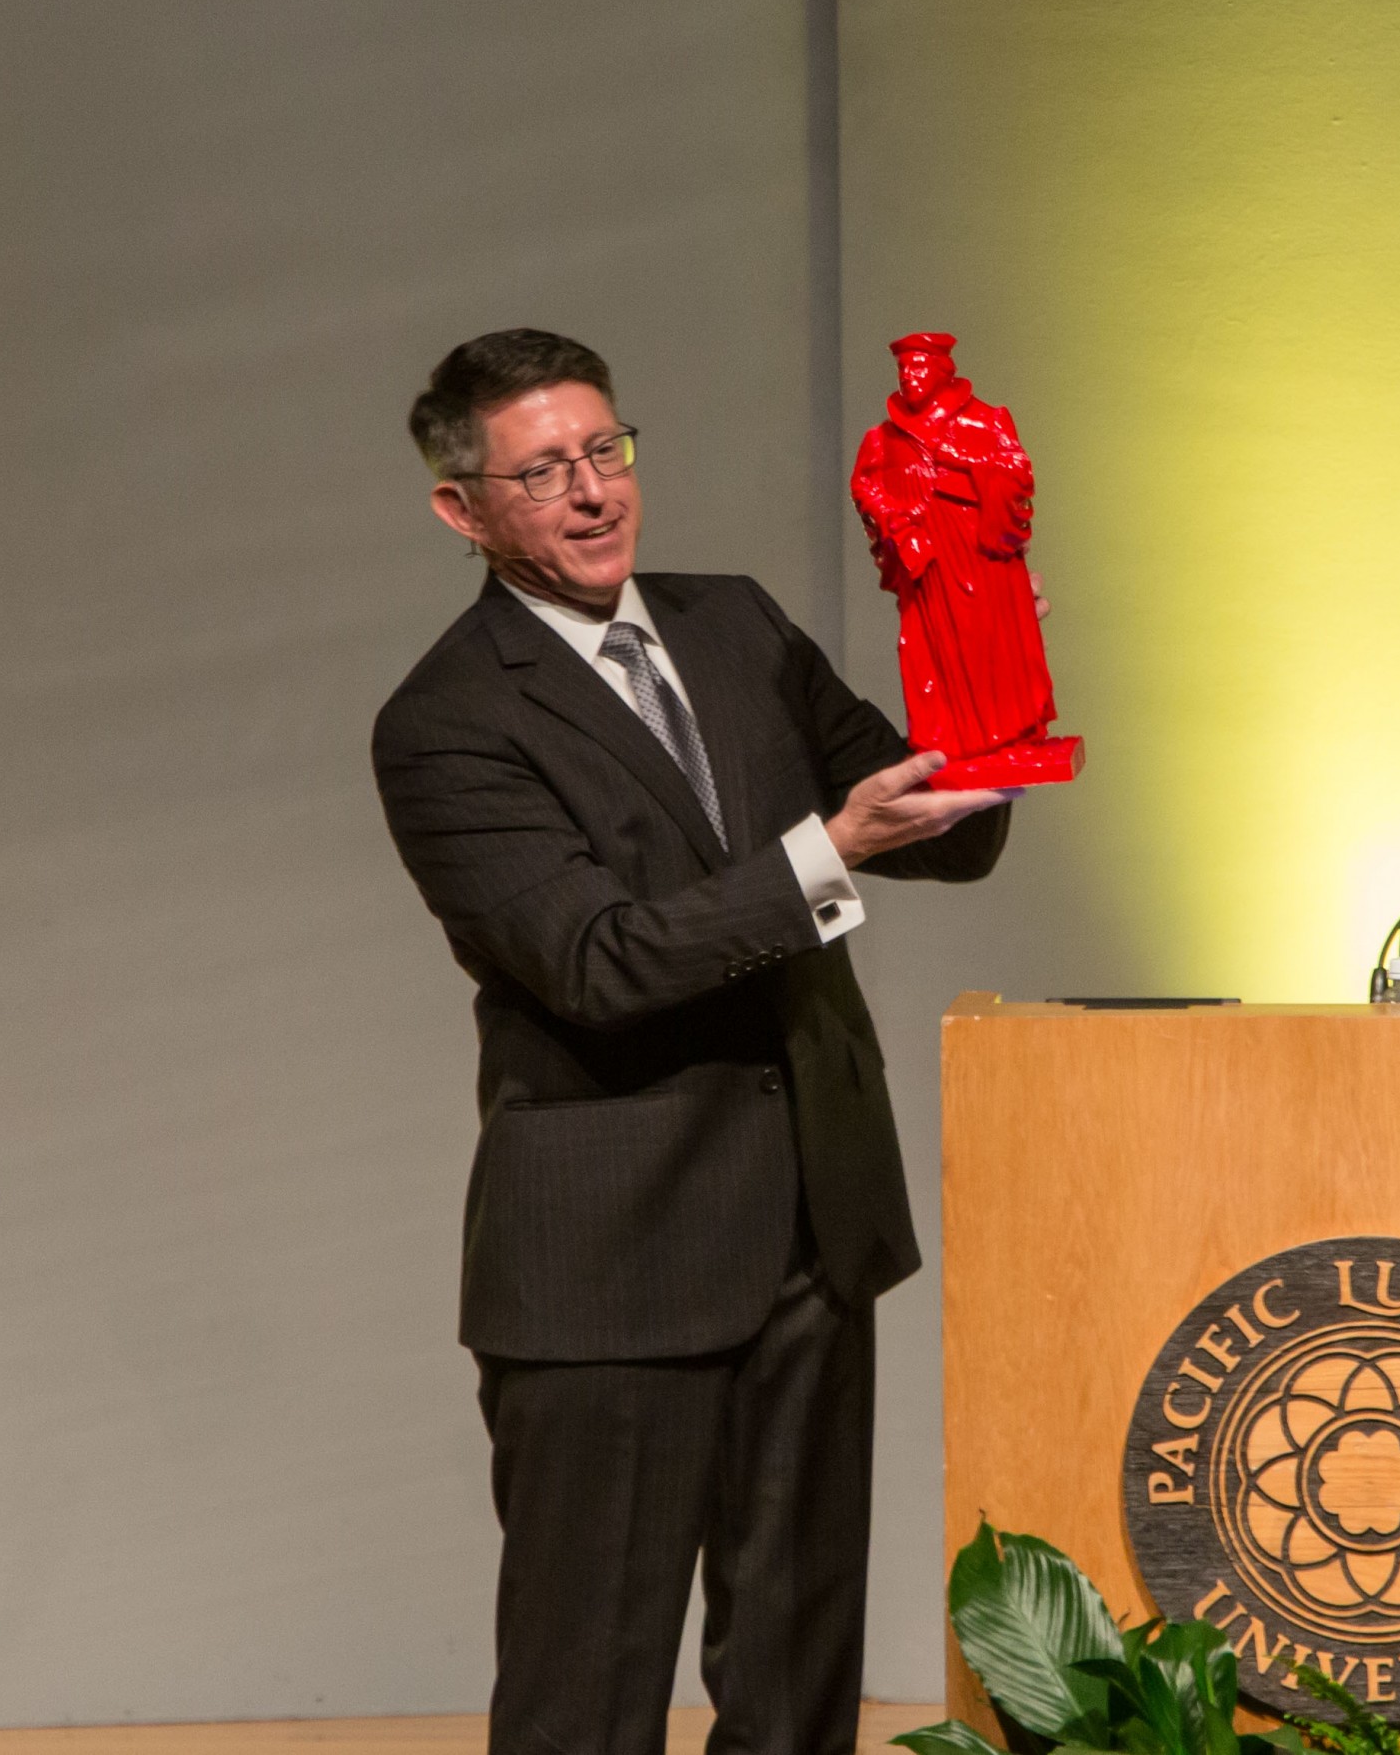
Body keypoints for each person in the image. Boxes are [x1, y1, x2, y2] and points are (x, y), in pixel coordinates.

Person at [373, 328, 1020, 1755]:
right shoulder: (445, 721)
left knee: (796, 1678)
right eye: (542, 470)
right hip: (613, 1264)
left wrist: (973, 618)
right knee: (588, 1690)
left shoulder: (732, 623)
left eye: (607, 450)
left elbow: (923, 823)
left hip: (811, 1225)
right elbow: (598, 964)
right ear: (461, 508)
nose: (594, 492)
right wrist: (821, 854)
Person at [849, 332, 1076, 784]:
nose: (910, 377)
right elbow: (864, 486)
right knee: (936, 650)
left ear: (943, 371)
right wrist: (898, 522)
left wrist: (969, 463)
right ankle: (951, 746)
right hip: (929, 563)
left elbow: (1016, 471)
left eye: (919, 367)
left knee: (999, 645)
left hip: (981, 557)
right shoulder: (882, 438)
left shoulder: (986, 420)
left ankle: (1010, 740)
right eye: (903, 369)